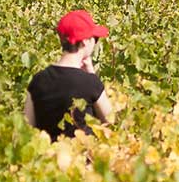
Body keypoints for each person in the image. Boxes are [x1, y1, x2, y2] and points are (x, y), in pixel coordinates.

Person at [25, 9, 115, 141]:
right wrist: (92, 75)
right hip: (84, 158)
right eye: (94, 39)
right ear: (84, 42)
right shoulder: (90, 83)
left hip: (46, 158)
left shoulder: (38, 80)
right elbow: (111, 121)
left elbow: (27, 128)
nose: (95, 43)